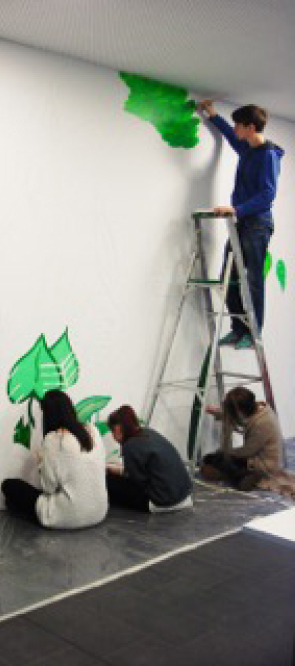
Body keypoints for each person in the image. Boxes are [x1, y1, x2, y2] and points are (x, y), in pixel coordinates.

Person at [198, 101, 284, 350]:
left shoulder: (268, 155)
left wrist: (236, 209)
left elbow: (267, 195)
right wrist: (213, 114)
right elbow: (228, 134)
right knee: (229, 278)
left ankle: (253, 334)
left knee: (253, 280)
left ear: (250, 127)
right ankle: (238, 329)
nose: (235, 128)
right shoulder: (248, 149)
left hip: (257, 224)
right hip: (243, 221)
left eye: (238, 125)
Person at [1, 390, 108, 529]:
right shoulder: (93, 431)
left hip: (70, 516)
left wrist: (41, 462)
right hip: (99, 512)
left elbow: (48, 487)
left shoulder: (54, 439)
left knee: (9, 485)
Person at [106, 406, 192, 513]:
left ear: (118, 429)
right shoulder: (149, 433)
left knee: (109, 482)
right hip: (183, 496)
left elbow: (136, 481)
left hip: (162, 501)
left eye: (112, 431)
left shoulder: (130, 446)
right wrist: (117, 470)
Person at [201, 387, 283, 491]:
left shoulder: (263, 424)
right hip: (255, 457)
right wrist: (219, 413)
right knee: (211, 458)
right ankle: (233, 474)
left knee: (220, 459)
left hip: (264, 465)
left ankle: (245, 477)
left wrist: (226, 452)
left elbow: (246, 452)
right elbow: (240, 419)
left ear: (239, 411)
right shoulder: (257, 410)